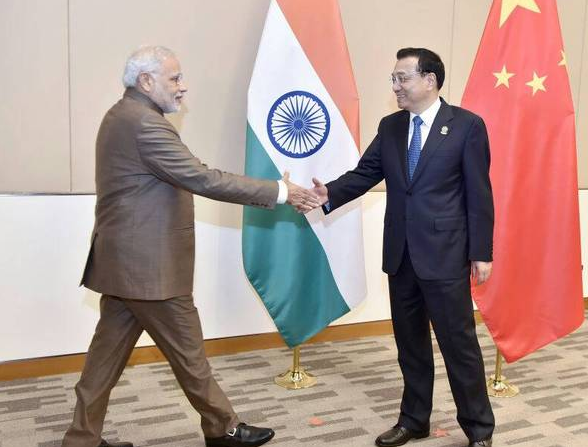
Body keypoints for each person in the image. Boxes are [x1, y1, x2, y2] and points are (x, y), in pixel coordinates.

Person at [62, 45, 318, 447]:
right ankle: (223, 428)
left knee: (103, 361)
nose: (183, 86)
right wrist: (280, 191)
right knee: (189, 354)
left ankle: (82, 438)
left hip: (124, 265)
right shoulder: (144, 124)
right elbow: (203, 178)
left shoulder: (122, 115)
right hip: (149, 270)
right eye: (175, 78)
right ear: (146, 81)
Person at [311, 48, 494, 447]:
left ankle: (479, 429)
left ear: (430, 80)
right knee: (410, 346)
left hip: (445, 254)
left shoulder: (466, 126)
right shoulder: (391, 126)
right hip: (401, 254)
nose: (395, 86)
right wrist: (329, 194)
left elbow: (479, 194)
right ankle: (414, 420)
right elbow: (365, 173)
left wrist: (481, 252)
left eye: (402, 78)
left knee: (459, 346)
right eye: (393, 79)